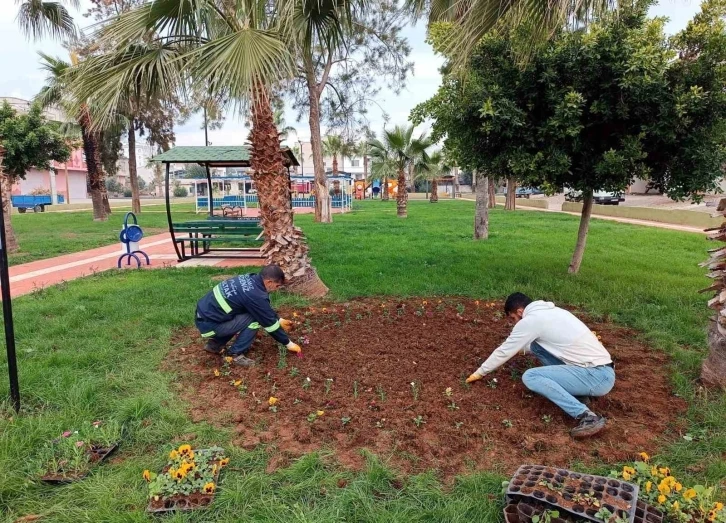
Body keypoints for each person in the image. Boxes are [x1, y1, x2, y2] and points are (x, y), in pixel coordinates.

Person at [466, 293, 615, 438]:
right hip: (598, 370)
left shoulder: (531, 320)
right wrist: (516, 348)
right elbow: (526, 346)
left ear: (519, 311)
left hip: (597, 376)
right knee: (537, 346)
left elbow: (504, 351)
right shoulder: (553, 312)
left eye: (513, 318)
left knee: (531, 376)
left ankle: (587, 416)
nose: (515, 323)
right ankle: (579, 393)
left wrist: (480, 373)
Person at [194, 265, 301, 367]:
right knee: (255, 318)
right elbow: (269, 324)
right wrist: (288, 343)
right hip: (210, 325)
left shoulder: (249, 278)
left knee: (252, 313)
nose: (276, 289)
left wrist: (279, 319)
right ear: (269, 282)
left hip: (204, 317)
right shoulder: (255, 295)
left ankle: (214, 346)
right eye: (277, 286)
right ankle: (234, 354)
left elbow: (260, 308)